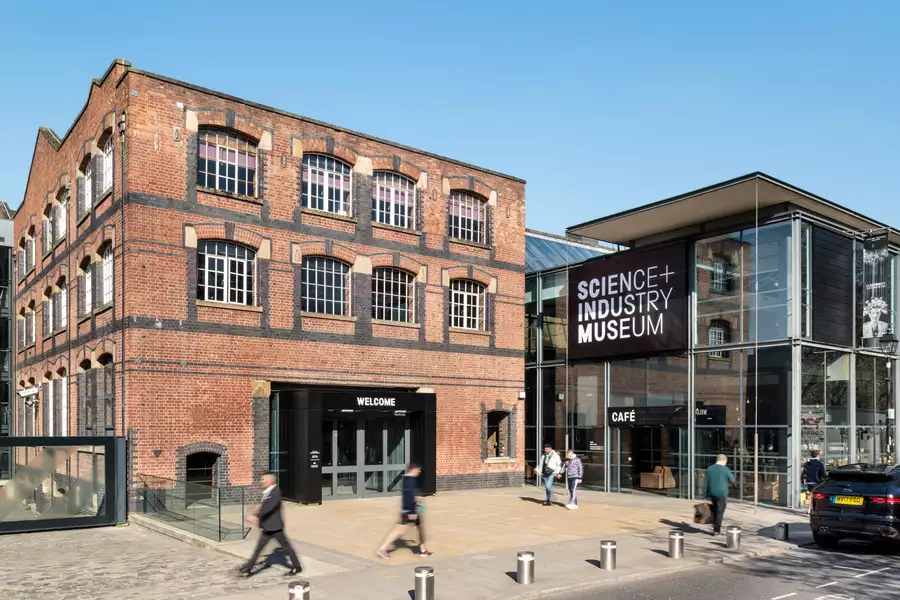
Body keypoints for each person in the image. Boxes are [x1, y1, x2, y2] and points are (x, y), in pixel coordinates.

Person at [239, 472, 302, 576]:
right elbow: (266, 506)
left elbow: (269, 508)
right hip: (268, 526)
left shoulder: (276, 492)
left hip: (275, 527)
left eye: (263, 479)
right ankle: (248, 567)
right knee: (259, 549)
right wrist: (259, 508)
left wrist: (255, 515)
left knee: (286, 548)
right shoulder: (268, 492)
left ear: (271, 481)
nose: (261, 482)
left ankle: (297, 566)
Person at [376, 463, 433, 559]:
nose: (419, 471)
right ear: (413, 469)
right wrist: (412, 512)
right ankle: (382, 549)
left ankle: (423, 550)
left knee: (419, 528)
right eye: (418, 470)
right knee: (399, 530)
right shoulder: (410, 481)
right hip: (410, 511)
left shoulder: (408, 479)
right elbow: (408, 498)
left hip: (412, 509)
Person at [705, 454, 735, 536]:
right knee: (720, 511)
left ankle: (715, 526)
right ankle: (716, 530)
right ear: (724, 460)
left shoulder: (709, 469)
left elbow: (707, 482)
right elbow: (732, 480)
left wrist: (706, 494)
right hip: (722, 493)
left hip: (712, 493)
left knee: (715, 509)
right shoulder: (725, 469)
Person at [802, 449, 827, 515]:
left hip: (809, 482)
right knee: (816, 497)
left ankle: (809, 510)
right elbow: (823, 474)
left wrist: (803, 481)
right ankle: (812, 511)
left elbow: (804, 473)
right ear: (818, 455)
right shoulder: (820, 464)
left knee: (811, 496)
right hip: (817, 482)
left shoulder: (807, 463)